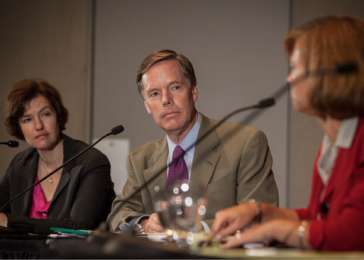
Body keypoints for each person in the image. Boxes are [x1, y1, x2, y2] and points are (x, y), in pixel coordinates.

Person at [212, 16, 364, 251]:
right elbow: (321, 219)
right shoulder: (333, 142)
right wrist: (261, 213)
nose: (289, 78)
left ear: (332, 71)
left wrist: (277, 230)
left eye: (295, 68)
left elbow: (352, 233)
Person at [108, 49, 278, 233]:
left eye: (175, 87)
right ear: (147, 106)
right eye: (154, 93)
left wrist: (195, 228)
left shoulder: (245, 143)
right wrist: (145, 223)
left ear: (194, 92)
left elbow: (260, 215)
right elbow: (118, 213)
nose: (166, 100)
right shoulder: (141, 159)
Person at [0, 79, 115, 230]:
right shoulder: (20, 164)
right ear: (19, 127)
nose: (38, 126)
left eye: (46, 114)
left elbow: (79, 226)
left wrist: (10, 222)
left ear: (58, 116)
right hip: (24, 253)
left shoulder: (92, 162)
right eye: (27, 119)